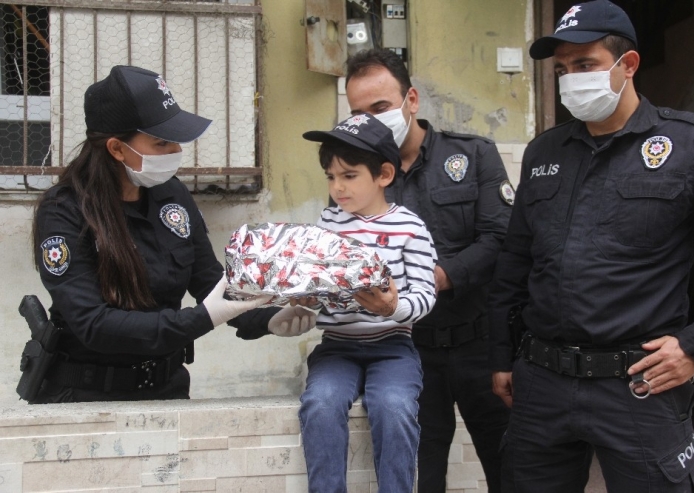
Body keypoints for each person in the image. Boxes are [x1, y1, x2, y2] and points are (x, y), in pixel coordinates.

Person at [488, 1, 694, 491]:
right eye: (562, 69)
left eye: (585, 65)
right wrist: (501, 355)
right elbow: (514, 262)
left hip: (640, 384)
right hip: (541, 381)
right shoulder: (546, 151)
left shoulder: (692, 145)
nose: (570, 79)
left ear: (629, 65)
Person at [30, 65, 314, 403]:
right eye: (161, 142)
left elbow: (212, 283)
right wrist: (200, 319)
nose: (175, 153)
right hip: (87, 395)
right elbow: (94, 325)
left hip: (167, 389)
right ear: (117, 149)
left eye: (175, 141)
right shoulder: (65, 211)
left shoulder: (171, 196)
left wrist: (269, 317)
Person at [344, 49, 512, 492]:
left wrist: (439, 277)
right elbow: (343, 254)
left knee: (509, 467)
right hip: (410, 352)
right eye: (359, 113)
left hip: (481, 344)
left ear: (411, 100)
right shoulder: (356, 175)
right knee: (422, 474)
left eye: (380, 108)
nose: (372, 122)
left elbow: (500, 239)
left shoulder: (473, 155)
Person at [299, 113, 437, 492]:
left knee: (394, 407)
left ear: (384, 175)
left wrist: (392, 309)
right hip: (336, 348)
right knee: (321, 404)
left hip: (393, 347)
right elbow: (312, 285)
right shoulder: (326, 225)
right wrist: (301, 303)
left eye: (349, 175)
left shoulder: (410, 228)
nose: (338, 187)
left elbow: (426, 295)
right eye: (330, 176)